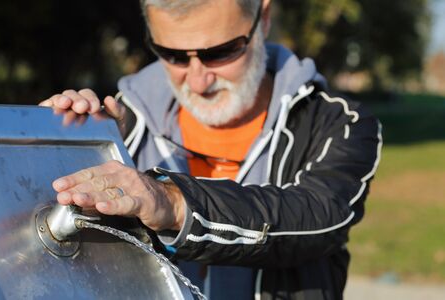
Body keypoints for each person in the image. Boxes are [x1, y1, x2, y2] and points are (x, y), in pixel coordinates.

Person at [40, 0, 382, 299]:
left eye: (219, 52)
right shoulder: (120, 123)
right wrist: (61, 150)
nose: (199, 80)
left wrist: (172, 203)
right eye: (173, 56)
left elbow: (318, 218)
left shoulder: (341, 122)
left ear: (262, 18)